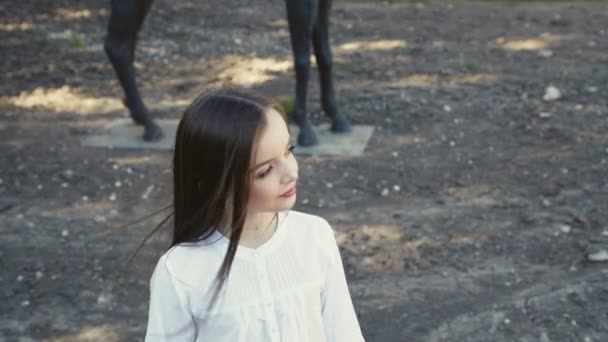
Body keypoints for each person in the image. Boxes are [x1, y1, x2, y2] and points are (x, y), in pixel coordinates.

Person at [144, 87, 365, 341]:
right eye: (265, 170)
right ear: (216, 181)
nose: (291, 172)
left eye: (289, 150)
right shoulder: (179, 271)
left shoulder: (314, 235)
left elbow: (344, 333)